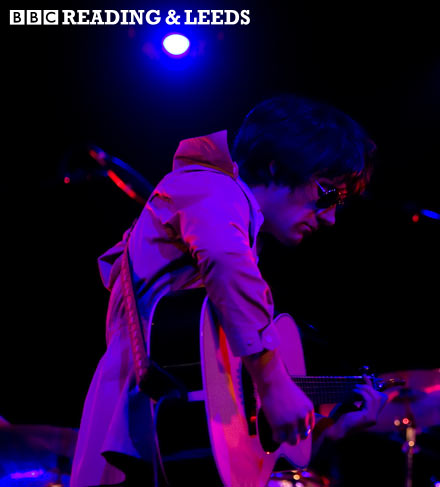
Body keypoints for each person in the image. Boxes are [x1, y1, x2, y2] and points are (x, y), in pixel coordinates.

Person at [71, 94, 385, 487]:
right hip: (140, 432)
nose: (331, 217)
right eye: (327, 193)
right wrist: (271, 381)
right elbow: (223, 258)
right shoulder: (209, 186)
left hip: (172, 436)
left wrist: (329, 428)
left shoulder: (231, 223)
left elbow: (227, 421)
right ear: (276, 165)